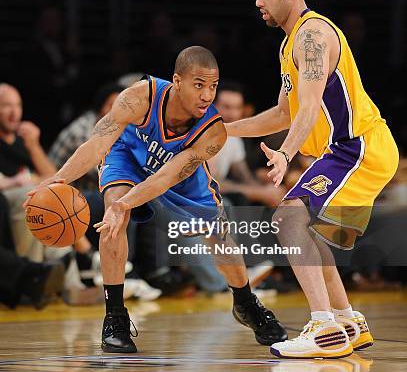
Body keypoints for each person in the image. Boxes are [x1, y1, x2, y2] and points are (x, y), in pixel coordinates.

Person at [25, 46, 287, 353]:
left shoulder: (212, 132)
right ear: (177, 81)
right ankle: (115, 317)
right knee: (114, 217)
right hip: (128, 157)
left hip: (181, 174)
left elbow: (164, 179)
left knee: (219, 233)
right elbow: (98, 143)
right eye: (198, 85)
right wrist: (58, 179)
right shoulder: (140, 96)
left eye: (212, 87)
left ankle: (245, 302)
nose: (206, 95)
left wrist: (125, 204)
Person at [226, 0, 399, 359]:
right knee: (304, 227)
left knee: (288, 218)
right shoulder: (291, 43)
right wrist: (223, 130)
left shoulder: (312, 35)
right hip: (346, 150)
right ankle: (345, 322)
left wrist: (286, 153)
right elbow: (284, 112)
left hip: (357, 147)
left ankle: (323, 329)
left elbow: (307, 108)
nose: (258, 3)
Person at [0, 83, 56, 261]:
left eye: (18, 105)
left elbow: (54, 177)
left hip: (29, 194)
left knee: (58, 193)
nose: (14, 112)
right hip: (9, 197)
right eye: (7, 105)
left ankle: (71, 281)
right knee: (30, 197)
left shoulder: (24, 140)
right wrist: (16, 181)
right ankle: (32, 273)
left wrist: (34, 146)